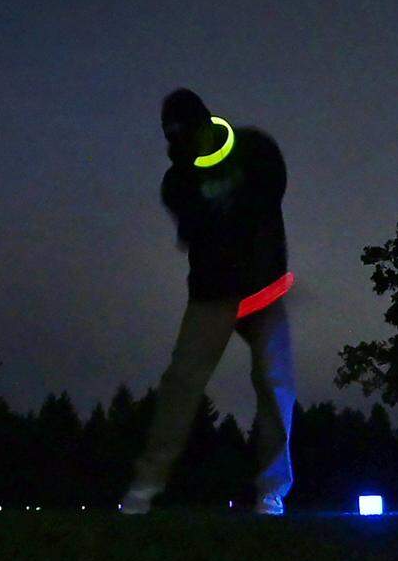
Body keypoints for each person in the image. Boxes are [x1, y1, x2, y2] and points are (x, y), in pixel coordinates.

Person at [121, 88, 297, 516]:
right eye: (175, 139)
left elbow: (266, 204)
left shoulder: (256, 149)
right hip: (212, 295)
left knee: (276, 388)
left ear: (206, 122)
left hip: (265, 290)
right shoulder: (177, 180)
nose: (183, 145)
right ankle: (146, 486)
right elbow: (195, 232)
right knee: (181, 384)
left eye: (188, 134)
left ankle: (272, 491)